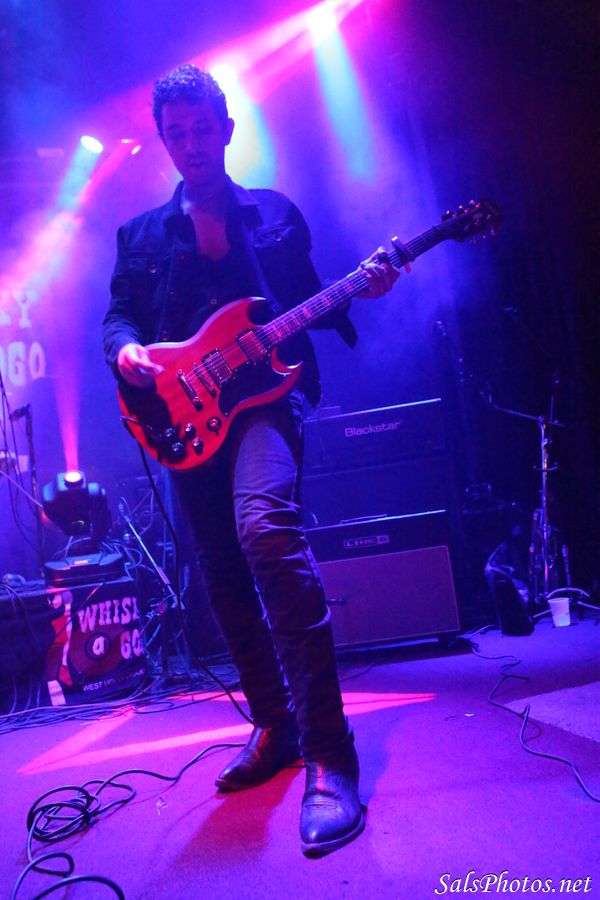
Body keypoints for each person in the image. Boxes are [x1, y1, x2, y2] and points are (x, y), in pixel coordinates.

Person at [103, 64, 399, 856]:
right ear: (163, 141)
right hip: (187, 418)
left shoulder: (273, 214)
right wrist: (127, 352)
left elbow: (314, 298)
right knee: (222, 574)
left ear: (227, 129)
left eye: (203, 129)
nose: (192, 145)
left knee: (264, 530)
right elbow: (119, 316)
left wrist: (362, 289)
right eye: (177, 134)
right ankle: (275, 725)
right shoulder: (140, 236)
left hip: (267, 400)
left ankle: (331, 754)